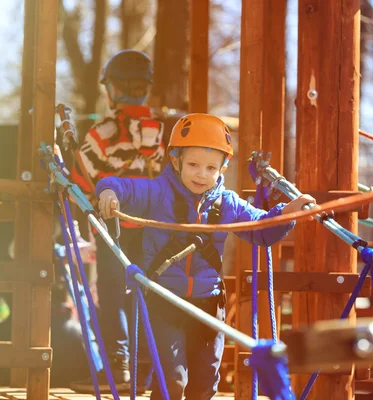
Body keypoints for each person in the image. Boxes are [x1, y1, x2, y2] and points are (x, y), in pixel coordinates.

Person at [96, 113, 315, 399]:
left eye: (211, 167)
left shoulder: (227, 204)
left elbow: (261, 231)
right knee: (173, 381)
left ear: (223, 167)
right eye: (193, 165)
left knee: (205, 385)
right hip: (165, 301)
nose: (201, 174)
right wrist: (109, 191)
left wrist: (288, 213)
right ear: (175, 161)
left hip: (208, 304)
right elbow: (121, 185)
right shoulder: (157, 192)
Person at [70, 49, 165, 394]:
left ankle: (119, 366)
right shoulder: (162, 133)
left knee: (112, 294)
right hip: (154, 228)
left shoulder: (103, 132)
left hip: (113, 227)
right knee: (146, 293)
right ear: (146, 88)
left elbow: (82, 178)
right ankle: (145, 368)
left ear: (111, 89)